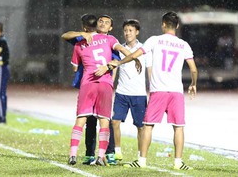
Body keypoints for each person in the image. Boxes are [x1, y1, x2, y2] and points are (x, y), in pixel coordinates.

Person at [109, 12, 198, 170]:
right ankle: (178, 163)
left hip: (159, 91)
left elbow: (135, 55)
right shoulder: (184, 44)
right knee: (178, 127)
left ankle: (141, 160)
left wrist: (120, 62)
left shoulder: (154, 40)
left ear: (163, 24)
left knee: (148, 125)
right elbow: (193, 69)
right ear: (177, 26)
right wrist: (193, 83)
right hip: (176, 92)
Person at [67, 14, 133, 166]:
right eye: (101, 21)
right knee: (104, 120)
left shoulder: (80, 43)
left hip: (87, 83)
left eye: (106, 22)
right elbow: (122, 51)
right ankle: (100, 156)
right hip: (105, 84)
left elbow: (74, 66)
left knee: (81, 118)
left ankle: (73, 155)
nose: (103, 24)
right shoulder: (110, 40)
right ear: (97, 25)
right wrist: (134, 58)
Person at [112, 19, 152, 161]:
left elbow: (149, 71)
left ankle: (140, 156)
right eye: (125, 30)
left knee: (141, 127)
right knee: (115, 122)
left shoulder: (144, 50)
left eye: (130, 30)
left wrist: (152, 90)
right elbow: (115, 68)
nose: (127, 33)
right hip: (121, 92)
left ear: (137, 32)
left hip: (139, 95)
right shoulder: (119, 48)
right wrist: (111, 84)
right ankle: (117, 151)